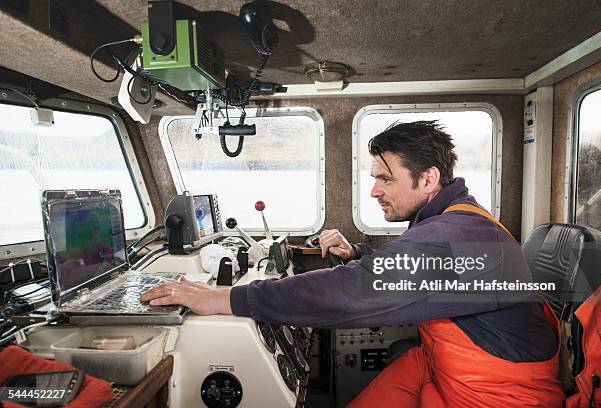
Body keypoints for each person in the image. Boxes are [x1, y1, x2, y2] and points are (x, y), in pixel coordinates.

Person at [141, 121, 564, 407]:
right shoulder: (449, 221)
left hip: (498, 394)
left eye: (385, 179)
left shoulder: (459, 237)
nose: (375, 192)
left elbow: (350, 293)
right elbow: (418, 271)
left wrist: (225, 299)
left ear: (430, 179)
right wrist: (360, 255)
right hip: (442, 365)